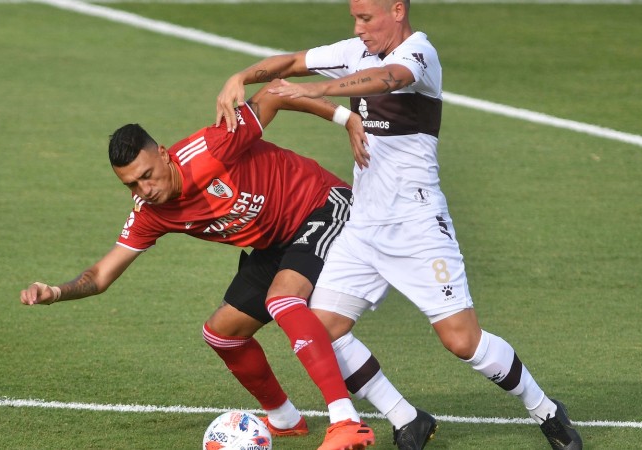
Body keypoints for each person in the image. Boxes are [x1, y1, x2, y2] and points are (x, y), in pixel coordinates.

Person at [215, 0, 583, 449]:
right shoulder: (355, 50)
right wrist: (243, 76)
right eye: (354, 17)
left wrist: (320, 93)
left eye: (366, 18)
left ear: (397, 10)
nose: (358, 27)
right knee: (318, 330)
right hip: (363, 228)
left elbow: (392, 79)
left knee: (462, 342)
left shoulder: (419, 54)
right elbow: (291, 62)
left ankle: (545, 409)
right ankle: (406, 418)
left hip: (417, 226)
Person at [19, 82, 377, 450]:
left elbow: (273, 95)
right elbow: (101, 276)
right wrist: (56, 292)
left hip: (322, 204)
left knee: (283, 300)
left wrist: (346, 118)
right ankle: (285, 418)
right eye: (131, 184)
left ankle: (346, 421)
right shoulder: (151, 213)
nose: (144, 189)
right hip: (275, 242)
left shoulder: (212, 147)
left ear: (162, 154)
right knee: (222, 333)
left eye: (146, 175)